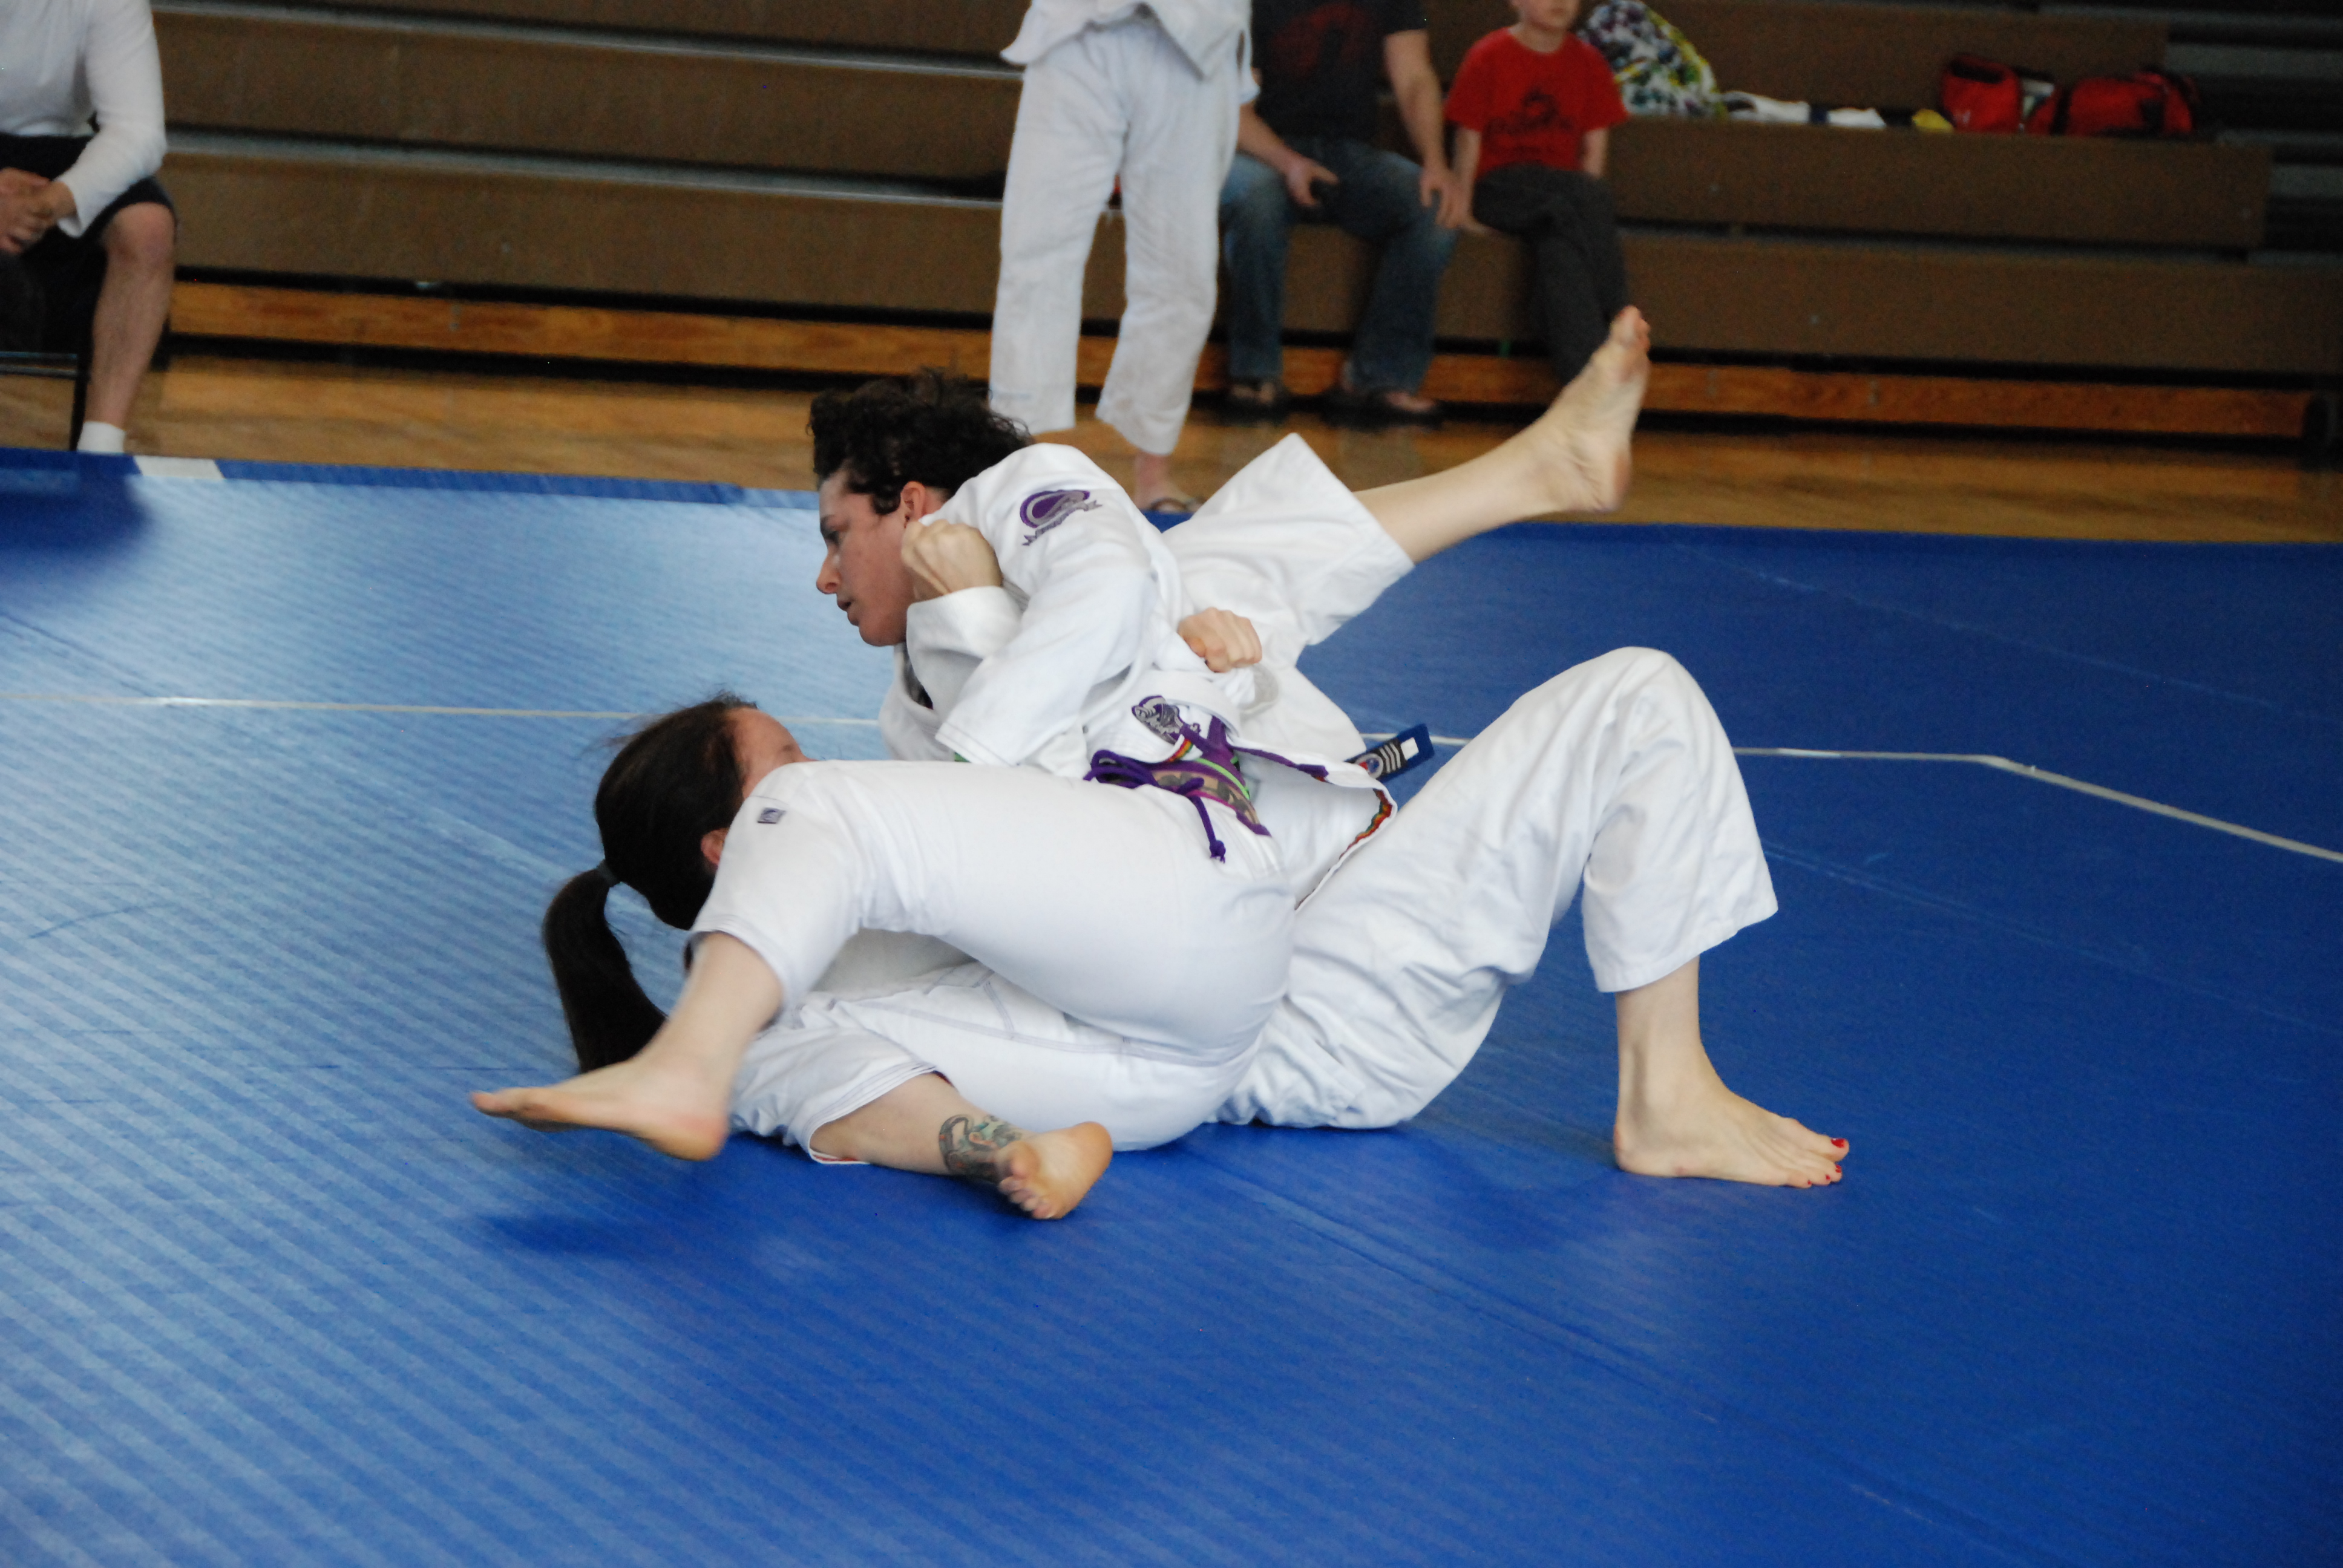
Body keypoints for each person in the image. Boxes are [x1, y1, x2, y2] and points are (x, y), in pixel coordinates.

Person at [477, 312, 1848, 1209]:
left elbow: (1091, 669)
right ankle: (1531, 474)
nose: (825, 577)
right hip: (1269, 1014)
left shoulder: (959, 687)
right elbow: (1078, 856)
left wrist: (1184, 669)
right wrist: (1084, 647)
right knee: (1178, 582)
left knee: (1638, 694)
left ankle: (1666, 1085)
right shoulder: (919, 755)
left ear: (913, 503)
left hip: (1358, 901)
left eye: (837, 535)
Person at [986, 0, 1251, 512]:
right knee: (1035, 252)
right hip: (1075, 27)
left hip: (1197, 31)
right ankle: (1023, 466)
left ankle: (1154, 475)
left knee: (1183, 271)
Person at [1219, 0, 1465, 426]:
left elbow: (1414, 77)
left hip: (1348, 153)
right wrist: (1289, 163)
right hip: (1259, 150)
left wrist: (1435, 162)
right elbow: (1232, 108)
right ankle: (1254, 374)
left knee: (1431, 207)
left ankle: (1376, 380)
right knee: (1260, 199)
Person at [0, 0, 175, 456]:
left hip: (56, 152)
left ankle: (101, 448)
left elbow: (138, 131)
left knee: (148, 228)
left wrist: (49, 204)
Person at [1446, 0, 1631, 387]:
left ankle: (1586, 387)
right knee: (1572, 204)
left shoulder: (1590, 64)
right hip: (1498, 186)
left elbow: (1594, 153)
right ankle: (1619, 317)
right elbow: (1468, 139)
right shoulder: (1488, 55)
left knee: (1560, 247)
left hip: (1559, 197)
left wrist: (1585, 208)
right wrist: (1464, 208)